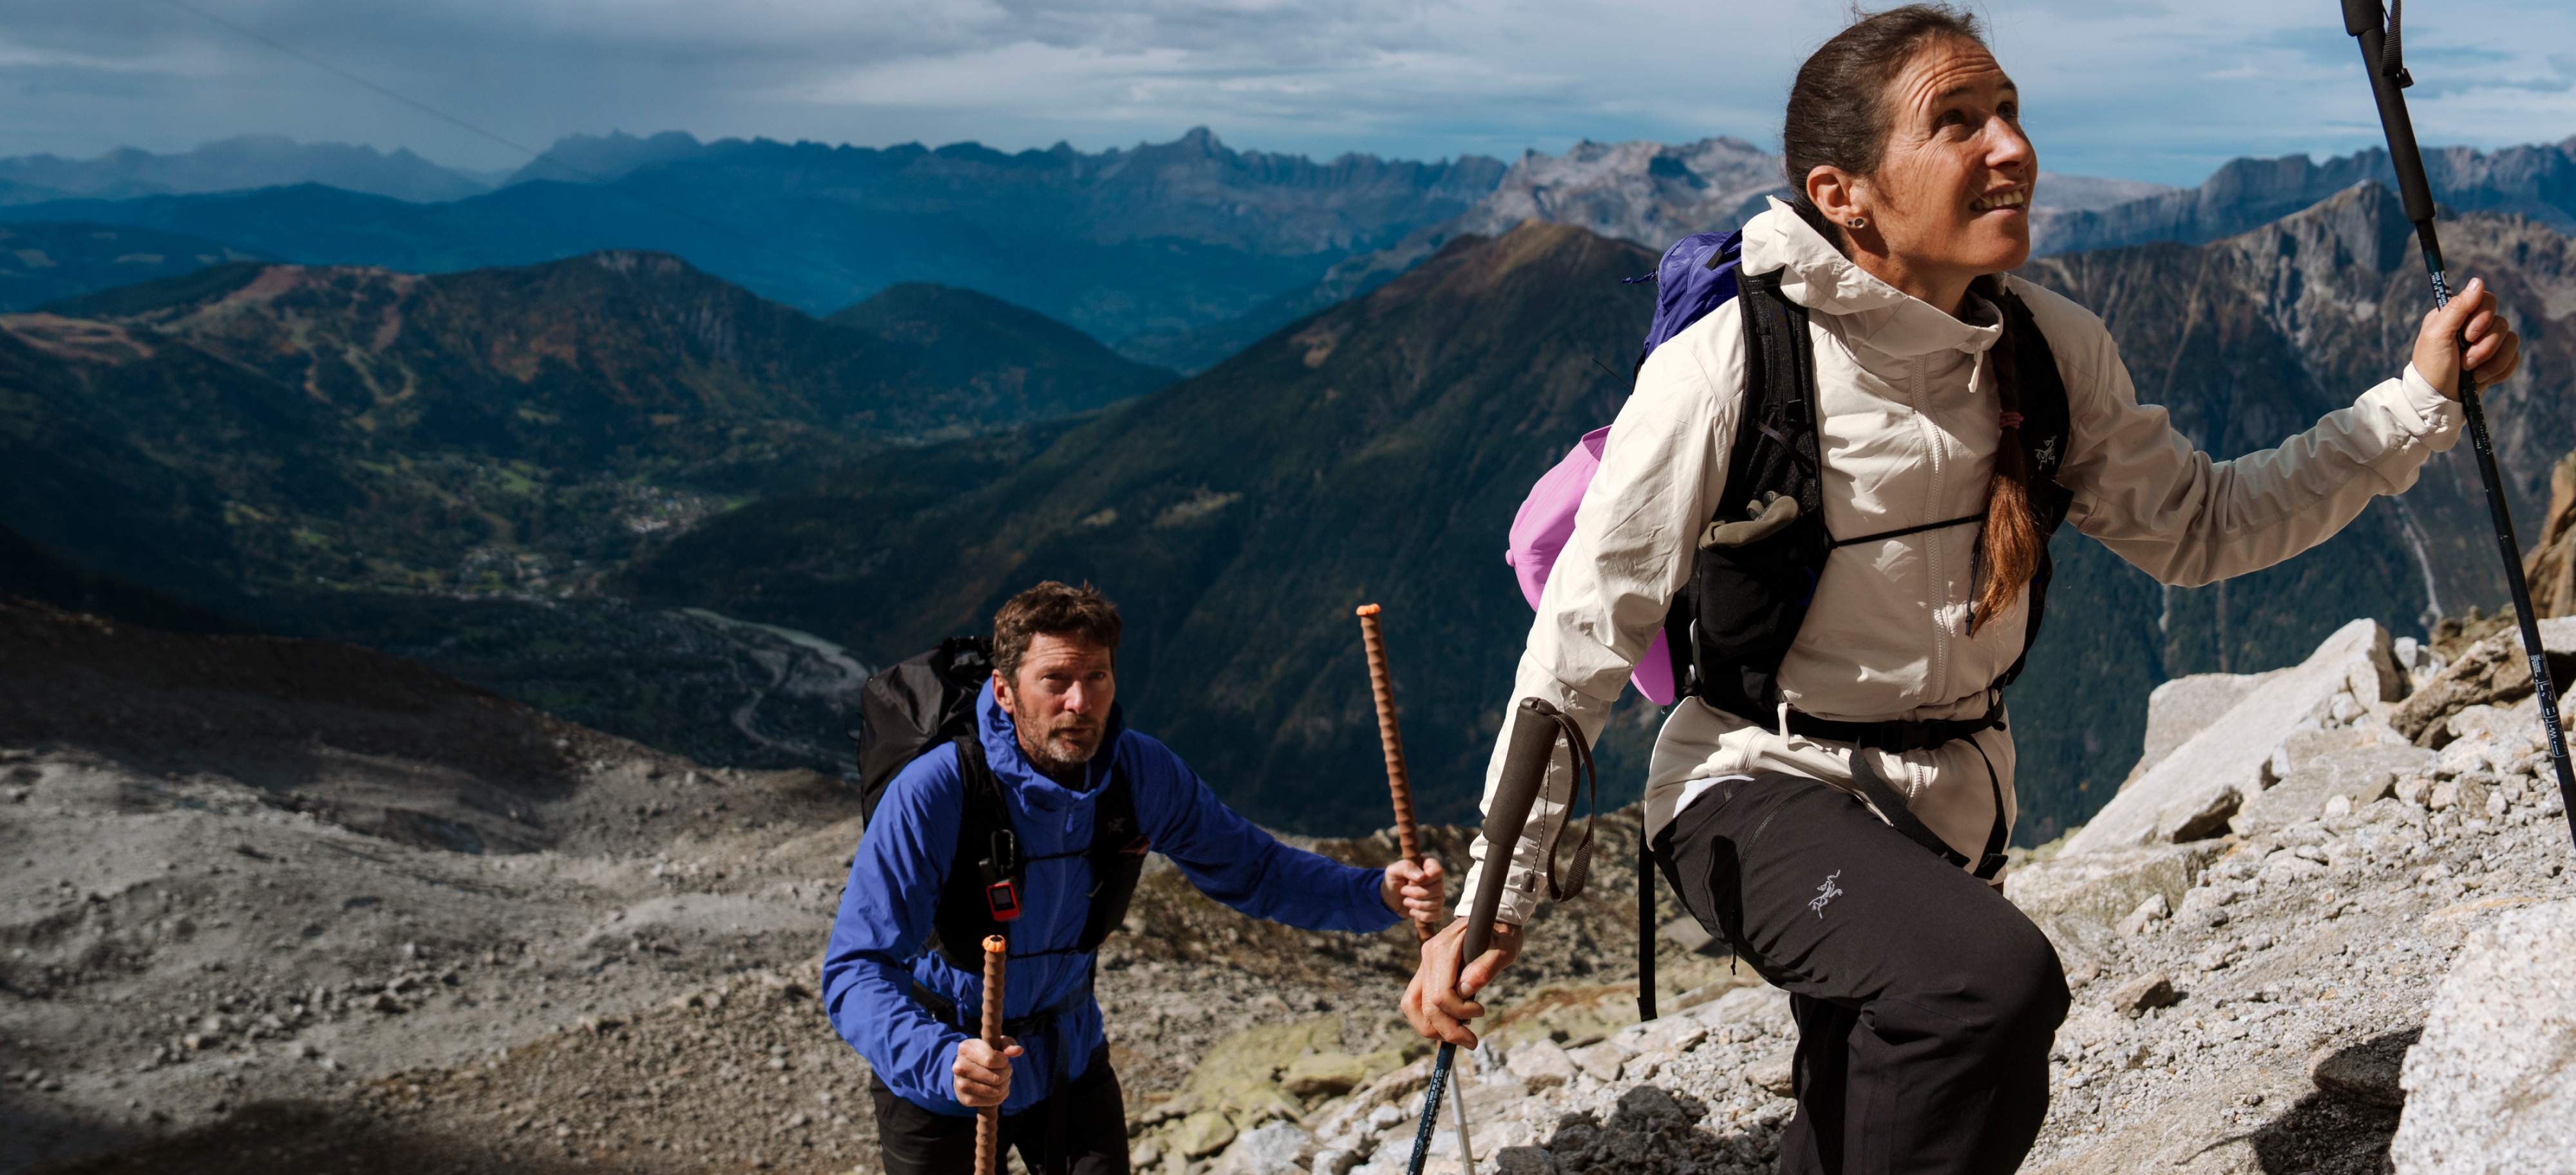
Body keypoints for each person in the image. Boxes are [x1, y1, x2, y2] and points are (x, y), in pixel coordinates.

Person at [1403, 6, 2523, 1174]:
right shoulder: (1727, 367)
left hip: (1950, 810)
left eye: (2010, 114)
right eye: (1957, 123)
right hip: (1751, 785)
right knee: (1986, 989)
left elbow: (2199, 527)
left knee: (1900, 1095)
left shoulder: (2050, 347)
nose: (2010, 147)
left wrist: (2415, 405)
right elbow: (1580, 645)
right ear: (1846, 193)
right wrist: (1495, 906)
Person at [827, 580, 1446, 1175]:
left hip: (1066, 1060)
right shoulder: (937, 791)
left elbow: (1254, 869)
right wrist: (941, 1060)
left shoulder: (1139, 773)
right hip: (946, 1071)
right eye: (1056, 680)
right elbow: (855, 967)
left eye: (1097, 676)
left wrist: (1376, 894)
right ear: (1005, 690)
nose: (1081, 701)